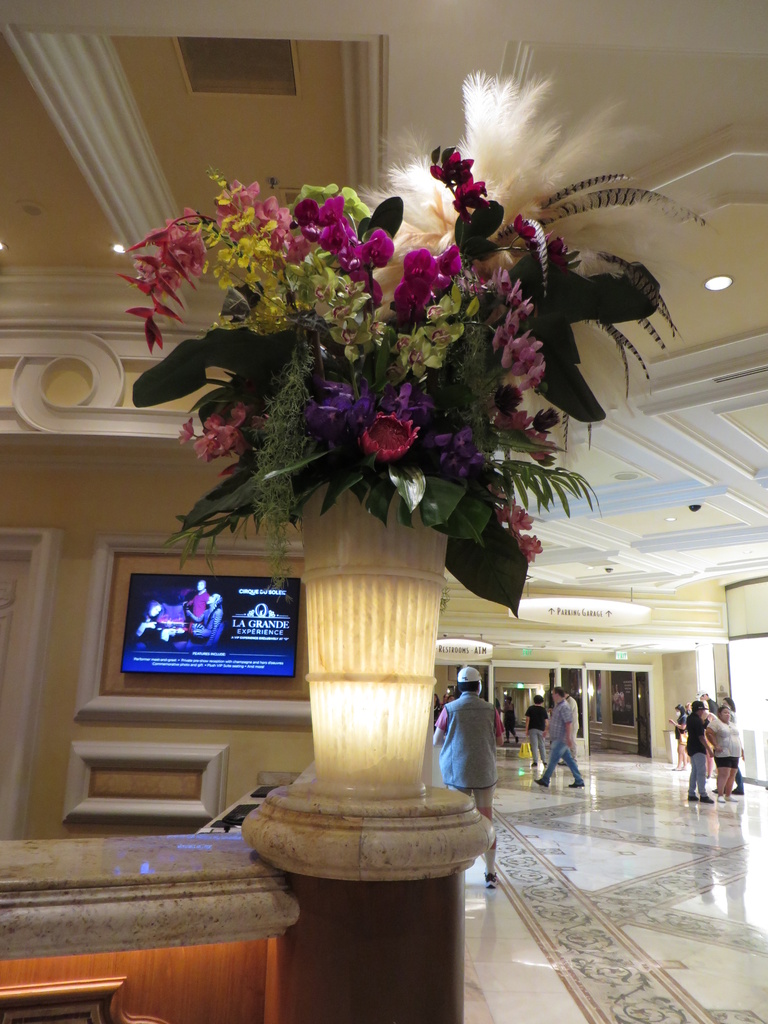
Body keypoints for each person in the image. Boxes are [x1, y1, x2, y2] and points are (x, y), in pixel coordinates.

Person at [433, 666, 503, 889]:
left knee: (457, 823)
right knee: (487, 820)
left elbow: (436, 740)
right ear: (479, 686)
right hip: (484, 772)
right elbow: (500, 740)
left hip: (457, 773)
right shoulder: (491, 709)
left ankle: (456, 874)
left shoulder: (449, 709)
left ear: (459, 687)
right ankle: (490, 872)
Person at [534, 687, 585, 790]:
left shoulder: (565, 706)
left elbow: (568, 723)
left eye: (553, 694)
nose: (552, 696)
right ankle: (579, 780)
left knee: (553, 759)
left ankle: (545, 779)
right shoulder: (558, 706)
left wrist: (568, 738)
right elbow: (554, 720)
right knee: (569, 761)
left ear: (557, 695)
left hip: (561, 739)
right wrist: (547, 730)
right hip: (557, 738)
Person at [706, 705, 743, 802]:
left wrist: (742, 750)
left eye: (728, 713)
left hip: (735, 752)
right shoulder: (715, 723)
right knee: (724, 773)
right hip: (723, 752)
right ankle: (720, 794)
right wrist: (715, 745)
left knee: (732, 773)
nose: (727, 715)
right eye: (725, 713)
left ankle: (728, 794)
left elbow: (737, 738)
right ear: (719, 714)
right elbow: (709, 733)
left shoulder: (732, 725)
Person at [686, 700, 715, 804]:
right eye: (702, 709)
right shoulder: (697, 721)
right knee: (701, 771)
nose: (703, 711)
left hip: (691, 746)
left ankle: (691, 792)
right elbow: (701, 737)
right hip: (698, 748)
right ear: (699, 710)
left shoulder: (690, 718)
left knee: (694, 770)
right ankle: (703, 794)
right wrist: (709, 749)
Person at [721, 696, 745, 794]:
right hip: (731, 742)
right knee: (731, 767)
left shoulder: (730, 716)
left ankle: (735, 786)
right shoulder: (732, 715)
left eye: (725, 703)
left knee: (732, 767)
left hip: (731, 744)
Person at [524, 694, 548, 770]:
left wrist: (526, 729)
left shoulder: (530, 709)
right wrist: (546, 730)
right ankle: (544, 761)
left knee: (534, 745)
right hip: (541, 729)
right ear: (541, 702)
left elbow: (527, 720)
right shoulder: (543, 710)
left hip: (532, 729)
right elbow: (546, 722)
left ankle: (535, 761)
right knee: (542, 745)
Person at [668, 704, 688, 770]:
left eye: (677, 710)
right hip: (680, 735)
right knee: (683, 751)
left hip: (682, 735)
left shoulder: (684, 717)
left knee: (680, 751)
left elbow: (683, 727)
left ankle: (679, 766)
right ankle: (684, 765)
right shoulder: (681, 717)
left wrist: (674, 723)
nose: (677, 712)